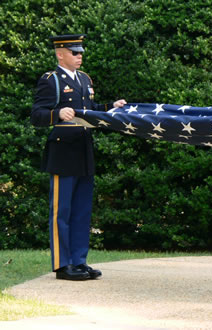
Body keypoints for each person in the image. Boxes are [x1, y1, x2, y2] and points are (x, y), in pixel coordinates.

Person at [31, 34, 127, 281]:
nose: (79, 56)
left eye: (80, 52)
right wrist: (56, 113)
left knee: (82, 210)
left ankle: (79, 261)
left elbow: (90, 112)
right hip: (63, 151)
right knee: (61, 211)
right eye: (74, 52)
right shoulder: (50, 80)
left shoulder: (85, 79)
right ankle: (62, 266)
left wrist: (110, 107)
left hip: (84, 150)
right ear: (59, 54)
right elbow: (36, 115)